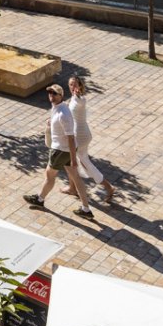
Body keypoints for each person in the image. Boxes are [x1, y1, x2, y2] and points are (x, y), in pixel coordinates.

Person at [24, 85, 94, 220]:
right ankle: (86, 209)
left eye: (54, 93)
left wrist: (73, 160)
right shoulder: (58, 108)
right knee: (76, 178)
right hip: (64, 150)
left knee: (49, 175)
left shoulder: (63, 114)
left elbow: (71, 138)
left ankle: (39, 199)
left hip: (60, 150)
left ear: (61, 95)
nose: (51, 95)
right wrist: (51, 123)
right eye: (50, 93)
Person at [61, 75, 113, 206]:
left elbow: (80, 101)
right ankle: (72, 188)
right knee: (75, 161)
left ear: (80, 86)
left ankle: (108, 187)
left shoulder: (80, 99)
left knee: (80, 162)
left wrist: (77, 96)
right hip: (82, 134)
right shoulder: (73, 98)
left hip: (80, 136)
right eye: (71, 84)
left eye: (75, 85)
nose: (73, 87)